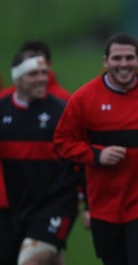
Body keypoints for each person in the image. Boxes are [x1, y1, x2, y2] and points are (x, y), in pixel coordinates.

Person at [53, 33, 138, 265]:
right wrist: (97, 155)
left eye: (130, 58)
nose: (124, 64)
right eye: (117, 58)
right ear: (106, 61)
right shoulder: (83, 98)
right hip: (104, 204)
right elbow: (62, 142)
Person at [0, 51, 79, 265]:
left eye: (45, 73)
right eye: (33, 74)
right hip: (16, 207)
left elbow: (80, 157)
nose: (42, 78)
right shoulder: (3, 110)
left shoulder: (62, 112)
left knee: (29, 261)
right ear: (17, 78)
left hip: (57, 204)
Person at [0, 40, 71, 101]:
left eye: (44, 72)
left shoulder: (63, 101)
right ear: (18, 76)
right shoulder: (3, 100)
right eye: (33, 73)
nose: (40, 79)